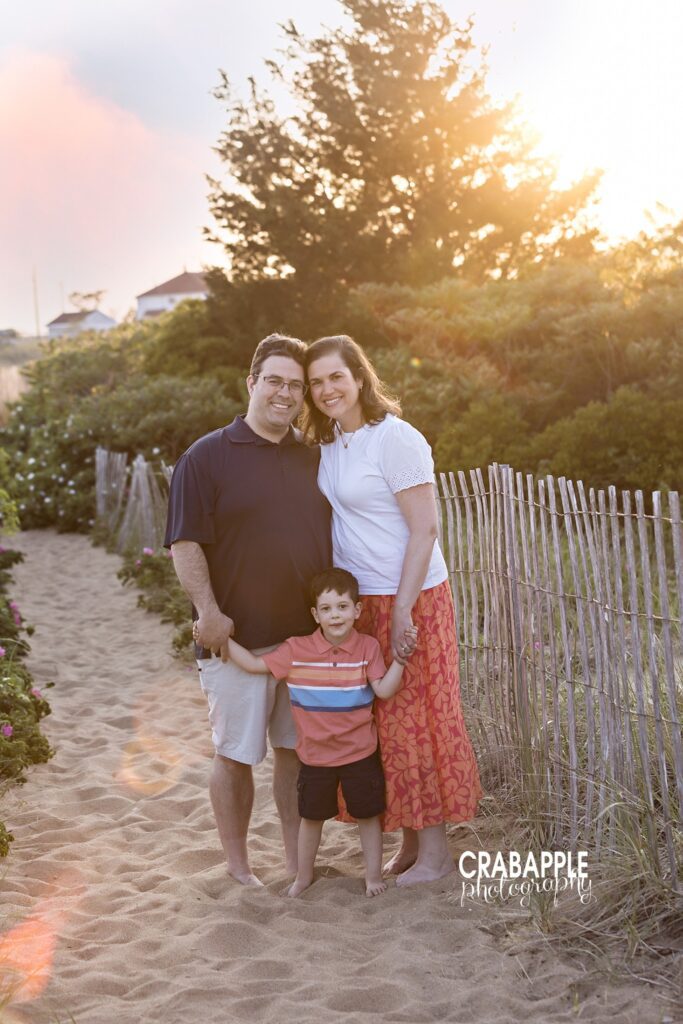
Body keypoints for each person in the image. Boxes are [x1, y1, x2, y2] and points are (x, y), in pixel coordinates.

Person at [302, 334, 482, 887]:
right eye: (316, 383)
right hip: (364, 601)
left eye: (336, 376)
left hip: (412, 595)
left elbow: (426, 528)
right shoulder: (331, 444)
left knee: (420, 721)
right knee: (382, 726)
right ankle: (408, 843)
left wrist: (403, 609)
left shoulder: (396, 439)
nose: (327, 389)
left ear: (359, 376)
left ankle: (435, 854)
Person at [164, 333, 331, 887]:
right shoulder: (207, 456)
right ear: (252, 383)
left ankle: (293, 862)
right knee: (236, 755)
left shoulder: (312, 457)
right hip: (236, 639)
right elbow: (184, 542)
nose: (286, 394)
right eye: (276, 381)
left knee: (293, 754)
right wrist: (206, 611)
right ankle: (238, 868)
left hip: (304, 641)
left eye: (296, 386)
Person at [220, 567, 416, 898]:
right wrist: (220, 639)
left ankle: (371, 877)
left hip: (360, 754)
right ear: (315, 614)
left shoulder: (367, 648)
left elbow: (383, 691)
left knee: (368, 817)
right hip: (314, 756)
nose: (335, 615)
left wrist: (400, 660)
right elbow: (255, 666)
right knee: (311, 818)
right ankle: (303, 877)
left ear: (357, 610)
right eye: (326, 609)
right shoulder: (297, 650)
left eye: (342, 607)